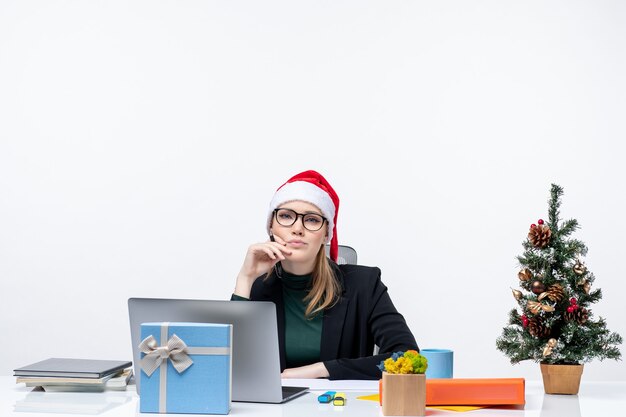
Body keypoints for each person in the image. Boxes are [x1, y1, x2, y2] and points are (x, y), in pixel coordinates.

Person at [232, 170, 418, 380]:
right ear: (271, 226)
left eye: (311, 220)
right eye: (285, 216)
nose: (297, 228)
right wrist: (245, 279)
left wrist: (321, 369)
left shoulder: (365, 285)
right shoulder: (258, 287)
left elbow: (407, 357)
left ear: (326, 234)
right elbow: (231, 368)